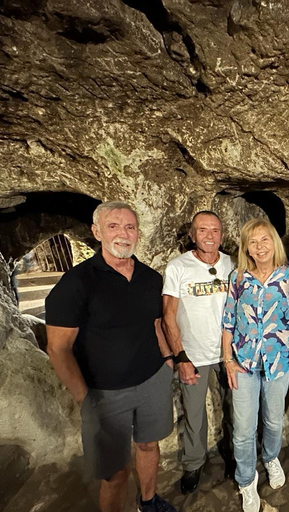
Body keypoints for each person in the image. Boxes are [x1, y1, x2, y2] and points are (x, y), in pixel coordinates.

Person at [45, 201, 176, 512]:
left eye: (130, 227)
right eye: (114, 226)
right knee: (114, 474)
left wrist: (168, 361)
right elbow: (57, 348)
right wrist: (85, 398)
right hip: (104, 393)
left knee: (148, 444)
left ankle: (148, 500)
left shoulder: (149, 278)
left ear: (138, 233)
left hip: (151, 379)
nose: (123, 234)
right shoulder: (76, 283)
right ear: (96, 231)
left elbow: (157, 323)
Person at [221, 218, 289, 512]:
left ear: (274, 242)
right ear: (246, 248)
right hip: (243, 362)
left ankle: (270, 457)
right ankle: (246, 480)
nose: (259, 246)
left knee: (274, 420)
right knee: (242, 427)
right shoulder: (238, 278)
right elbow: (228, 321)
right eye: (253, 242)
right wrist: (228, 359)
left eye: (265, 239)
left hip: (278, 360)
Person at [162, 211, 234, 494]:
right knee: (193, 414)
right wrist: (180, 356)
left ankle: (233, 455)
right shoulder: (178, 267)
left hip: (229, 353)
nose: (209, 236)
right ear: (192, 235)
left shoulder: (233, 264)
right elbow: (169, 315)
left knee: (234, 409)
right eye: (202, 230)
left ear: (222, 235)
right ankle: (194, 464)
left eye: (215, 230)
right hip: (193, 355)